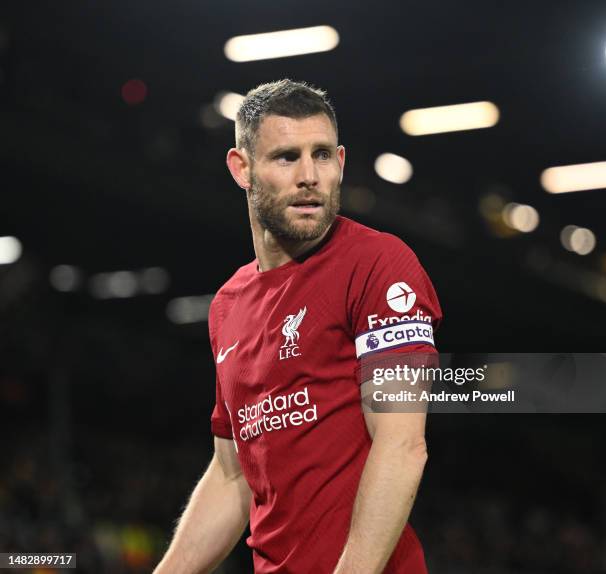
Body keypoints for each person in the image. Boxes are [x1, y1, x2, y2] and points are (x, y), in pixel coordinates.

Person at [154, 79, 442, 574]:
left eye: (323, 155)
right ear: (241, 169)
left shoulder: (379, 264)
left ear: (341, 162)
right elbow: (232, 476)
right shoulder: (227, 306)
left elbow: (402, 445)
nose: (310, 175)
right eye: (287, 157)